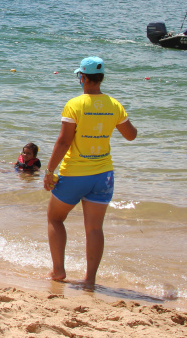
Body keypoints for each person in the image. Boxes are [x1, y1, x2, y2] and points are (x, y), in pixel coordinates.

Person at [43, 56, 137, 287]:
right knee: (94, 228)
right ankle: (90, 280)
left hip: (75, 173)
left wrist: (49, 170)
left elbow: (64, 142)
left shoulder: (75, 104)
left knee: (55, 218)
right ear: (101, 78)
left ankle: (58, 272)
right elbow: (131, 135)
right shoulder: (114, 105)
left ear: (82, 77)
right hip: (103, 175)